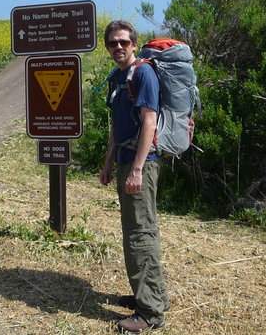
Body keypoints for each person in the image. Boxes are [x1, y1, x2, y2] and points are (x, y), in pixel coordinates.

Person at [99, 20, 168, 333]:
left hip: (142, 163)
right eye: (113, 43)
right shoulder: (118, 78)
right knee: (137, 232)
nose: (118, 48)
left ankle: (150, 313)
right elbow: (118, 126)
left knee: (141, 235)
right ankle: (152, 296)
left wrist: (138, 168)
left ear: (134, 43)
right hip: (125, 161)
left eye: (124, 42)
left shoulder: (144, 74)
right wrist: (108, 162)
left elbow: (149, 123)